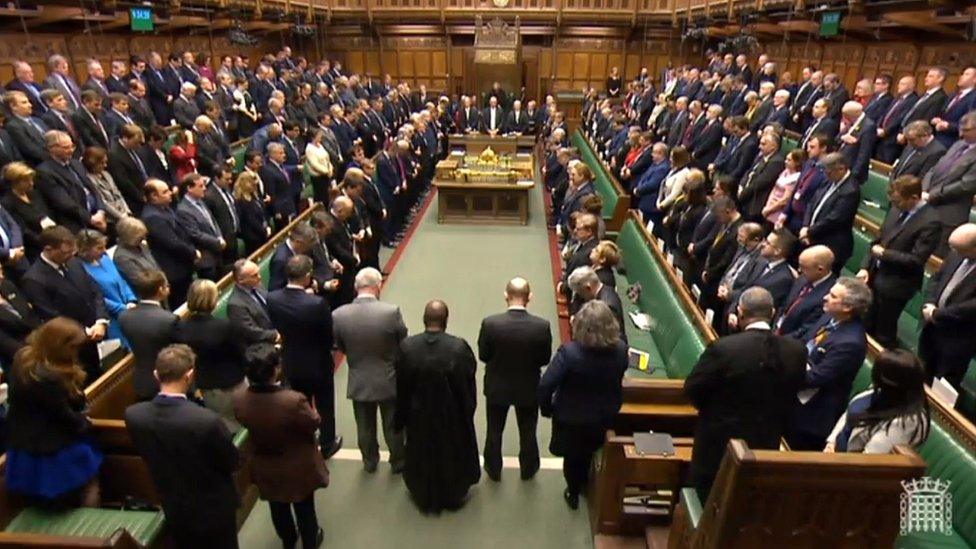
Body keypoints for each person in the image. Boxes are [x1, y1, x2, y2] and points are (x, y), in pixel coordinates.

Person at [686, 287, 806, 501]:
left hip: (717, 443)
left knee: (706, 498)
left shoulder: (725, 348)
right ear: (773, 313)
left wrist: (713, 411)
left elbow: (693, 389)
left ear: (741, 313)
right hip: (765, 443)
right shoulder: (797, 350)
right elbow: (793, 391)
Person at [124, 344, 240, 548]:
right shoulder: (206, 420)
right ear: (190, 375)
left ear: (156, 375)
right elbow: (231, 462)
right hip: (214, 509)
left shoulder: (134, 415)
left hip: (174, 506)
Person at [233, 344, 327, 549]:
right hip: (297, 464)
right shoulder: (292, 400)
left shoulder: (239, 399)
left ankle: (288, 539)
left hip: (265, 464)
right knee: (304, 507)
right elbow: (313, 423)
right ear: (276, 369)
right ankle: (310, 540)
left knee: (278, 507)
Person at [539, 300, 627, 510]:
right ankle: (587, 484)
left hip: (572, 417)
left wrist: (547, 409)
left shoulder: (570, 354)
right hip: (604, 414)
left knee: (572, 456)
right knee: (591, 451)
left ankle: (573, 491)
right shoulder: (621, 350)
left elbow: (546, 384)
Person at [5, 317, 101, 507]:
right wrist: (87, 423)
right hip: (54, 450)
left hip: (23, 443)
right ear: (61, 347)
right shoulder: (50, 379)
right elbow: (65, 417)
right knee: (88, 488)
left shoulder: (23, 358)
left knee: (40, 501)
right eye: (74, 347)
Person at [394, 300, 480, 513]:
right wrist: (466, 411)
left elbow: (401, 386)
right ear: (446, 321)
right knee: (450, 453)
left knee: (420, 452)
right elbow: (467, 384)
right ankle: (451, 493)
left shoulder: (407, 348)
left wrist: (401, 417)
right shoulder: (459, 348)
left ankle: (424, 492)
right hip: (451, 416)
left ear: (424, 320)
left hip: (418, 415)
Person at [267, 254, 343, 459]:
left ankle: (306, 440)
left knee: (300, 404)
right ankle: (327, 443)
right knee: (325, 405)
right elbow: (328, 337)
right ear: (308, 275)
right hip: (318, 362)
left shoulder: (272, 299)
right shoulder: (316, 304)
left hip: (291, 360)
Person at [332, 267, 407, 473]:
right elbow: (403, 342)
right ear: (377, 286)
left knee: (364, 425)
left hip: (359, 377)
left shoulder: (338, 314)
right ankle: (398, 461)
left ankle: (369, 461)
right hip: (388, 376)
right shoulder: (391, 312)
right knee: (393, 424)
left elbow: (339, 345)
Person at [478, 277, 553, 481]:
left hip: (497, 385)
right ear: (530, 297)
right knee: (528, 431)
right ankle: (528, 469)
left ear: (506, 295)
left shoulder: (490, 323)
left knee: (494, 430)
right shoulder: (542, 326)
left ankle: (493, 469)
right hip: (528, 387)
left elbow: (484, 355)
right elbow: (544, 359)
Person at [787, 277, 871, 451]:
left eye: (833, 296)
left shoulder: (851, 343)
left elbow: (816, 378)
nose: (825, 297)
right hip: (794, 397)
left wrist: (782, 367)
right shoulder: (829, 317)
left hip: (810, 418)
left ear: (847, 307)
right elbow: (804, 341)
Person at [856, 175, 940, 348]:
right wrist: (865, 267)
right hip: (874, 275)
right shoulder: (896, 209)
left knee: (882, 334)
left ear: (914, 198)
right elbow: (878, 240)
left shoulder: (931, 222)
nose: (896, 205)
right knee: (864, 324)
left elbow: (916, 260)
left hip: (896, 285)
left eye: (899, 202)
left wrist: (885, 254)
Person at [21, 226, 109, 382]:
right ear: (49, 249)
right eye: (66, 252)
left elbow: (94, 291)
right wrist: (85, 332)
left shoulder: (74, 262)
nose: (71, 255)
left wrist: (101, 320)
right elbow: (50, 315)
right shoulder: (33, 279)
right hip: (74, 346)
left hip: (99, 332)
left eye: (72, 251)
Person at [826, 349, 930, 454]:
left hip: (847, 465)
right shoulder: (883, 390)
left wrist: (833, 459)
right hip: (833, 452)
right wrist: (831, 443)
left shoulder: (907, 421)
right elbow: (848, 415)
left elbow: (869, 459)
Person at [175, 279, 246, 432]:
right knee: (241, 423)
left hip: (207, 387)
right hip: (232, 385)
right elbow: (240, 353)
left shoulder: (180, 328)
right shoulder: (223, 327)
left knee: (224, 424)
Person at [919, 223, 976, 387]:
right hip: (932, 328)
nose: (955, 253)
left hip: (958, 338)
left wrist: (937, 314)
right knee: (922, 373)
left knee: (943, 385)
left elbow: (972, 307)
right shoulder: (957, 252)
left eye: (960, 250)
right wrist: (929, 303)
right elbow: (936, 279)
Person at [119, 270, 177, 401]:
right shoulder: (170, 320)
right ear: (160, 289)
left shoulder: (124, 317)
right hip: (168, 381)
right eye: (166, 285)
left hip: (142, 382)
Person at [141, 178, 199, 307]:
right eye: (165, 192)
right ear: (154, 196)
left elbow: (181, 232)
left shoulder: (165, 208)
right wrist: (193, 252)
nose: (170, 193)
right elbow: (173, 243)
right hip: (174, 271)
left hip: (184, 264)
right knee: (183, 305)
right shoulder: (152, 217)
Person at [800, 152, 859, 275]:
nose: (826, 175)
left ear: (841, 168)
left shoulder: (851, 190)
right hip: (815, 236)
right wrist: (806, 226)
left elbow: (835, 219)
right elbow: (811, 202)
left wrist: (809, 232)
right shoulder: (829, 180)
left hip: (832, 245)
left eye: (829, 172)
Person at [76, 229, 136, 347]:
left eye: (104, 247)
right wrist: (122, 308)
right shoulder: (81, 269)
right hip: (112, 319)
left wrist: (131, 300)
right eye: (99, 248)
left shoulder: (106, 259)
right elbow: (97, 297)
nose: (104, 251)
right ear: (85, 249)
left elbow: (121, 280)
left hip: (130, 311)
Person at [1, 162, 54, 261]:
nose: (31, 183)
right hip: (34, 246)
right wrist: (46, 240)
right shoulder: (8, 203)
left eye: (31, 180)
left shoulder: (34, 193)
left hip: (51, 235)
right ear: (15, 182)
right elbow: (23, 230)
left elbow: (47, 213)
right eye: (26, 181)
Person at [227, 259, 278, 345]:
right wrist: (275, 335)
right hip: (263, 343)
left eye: (258, 273)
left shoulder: (257, 285)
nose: (259, 277)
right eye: (254, 275)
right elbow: (250, 331)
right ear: (240, 280)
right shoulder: (235, 304)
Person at [0, 265, 41, 366]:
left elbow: (30, 315)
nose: (1, 276)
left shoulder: (7, 286)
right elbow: (5, 343)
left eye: (0, 270)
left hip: (38, 339)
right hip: (19, 358)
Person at [112, 216, 162, 292]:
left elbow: (155, 265)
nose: (144, 239)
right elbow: (140, 281)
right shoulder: (122, 257)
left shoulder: (142, 246)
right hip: (148, 292)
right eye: (140, 237)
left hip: (160, 287)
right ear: (129, 237)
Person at [234, 171, 272, 255]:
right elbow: (251, 221)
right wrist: (264, 230)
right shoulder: (241, 202)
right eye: (252, 183)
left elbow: (263, 212)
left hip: (263, 233)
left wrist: (268, 226)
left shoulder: (254, 196)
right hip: (253, 239)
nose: (254, 186)